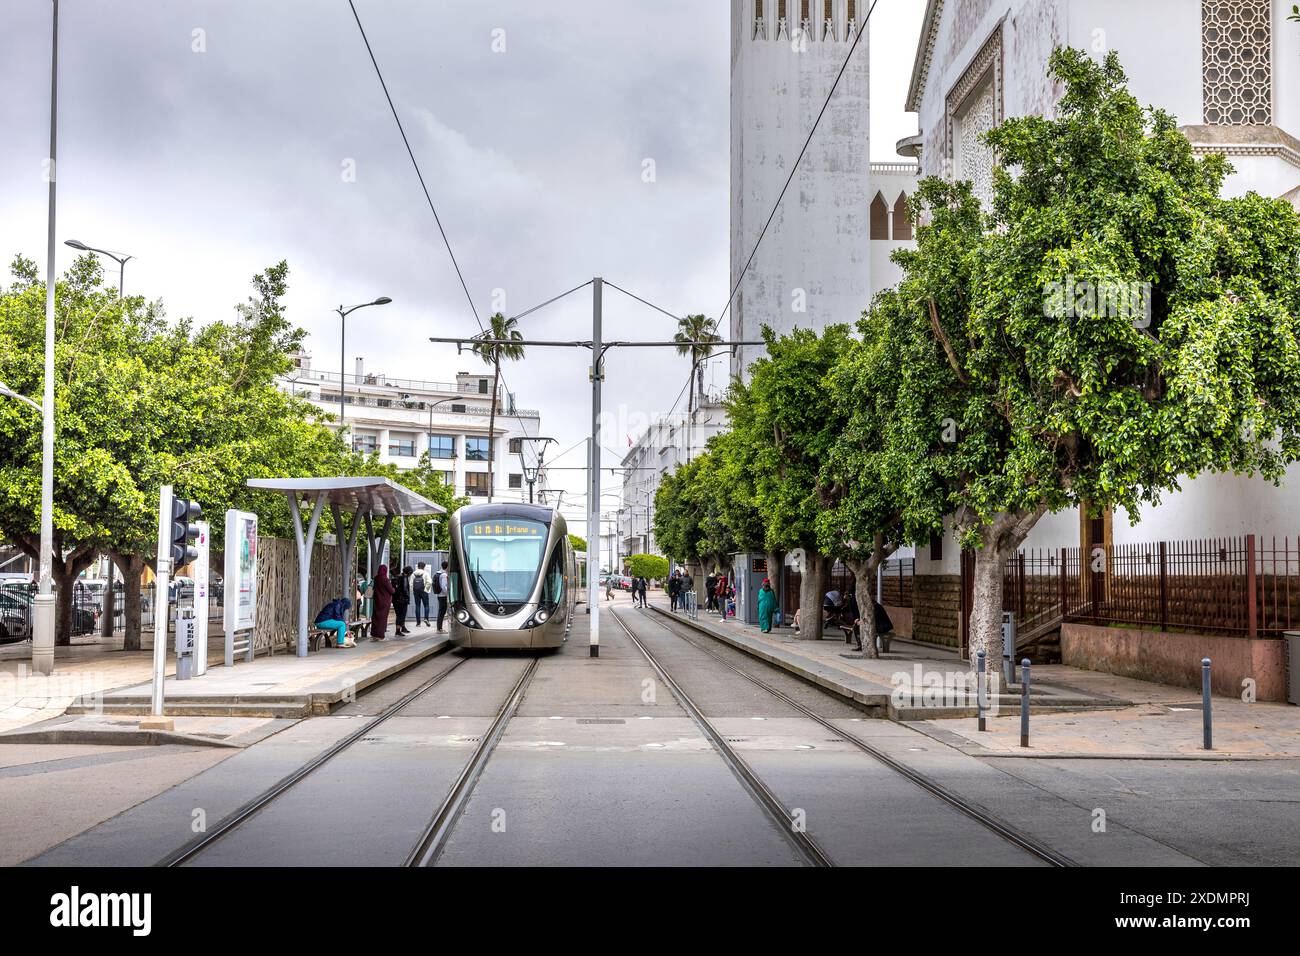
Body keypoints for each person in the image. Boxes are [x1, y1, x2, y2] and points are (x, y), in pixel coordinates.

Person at [371, 564, 394, 640]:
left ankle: (374, 634)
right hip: (384, 602)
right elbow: (391, 590)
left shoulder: (376, 578)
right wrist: (394, 589)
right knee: (382, 618)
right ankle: (380, 636)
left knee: (375, 617)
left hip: (376, 600)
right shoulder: (385, 579)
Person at [393, 566, 412, 636]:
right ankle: (398, 630)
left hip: (395, 599)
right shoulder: (404, 577)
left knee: (399, 614)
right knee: (401, 615)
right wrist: (407, 597)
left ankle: (402, 627)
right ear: (409, 572)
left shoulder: (397, 576)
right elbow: (404, 589)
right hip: (402, 600)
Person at [412, 561, 432, 626]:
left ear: (417, 566)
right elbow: (429, 582)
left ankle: (418, 623)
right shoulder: (425, 573)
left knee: (417, 606)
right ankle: (426, 618)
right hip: (424, 592)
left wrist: (413, 590)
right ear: (424, 567)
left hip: (416, 592)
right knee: (426, 605)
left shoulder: (413, 574)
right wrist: (426, 590)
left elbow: (411, 584)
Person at [435, 560, 450, 632]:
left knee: (441, 611)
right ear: (447, 566)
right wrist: (448, 594)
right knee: (442, 612)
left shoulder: (439, 573)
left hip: (440, 595)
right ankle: (439, 628)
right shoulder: (444, 575)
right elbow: (444, 586)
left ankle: (439, 627)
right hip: (443, 596)